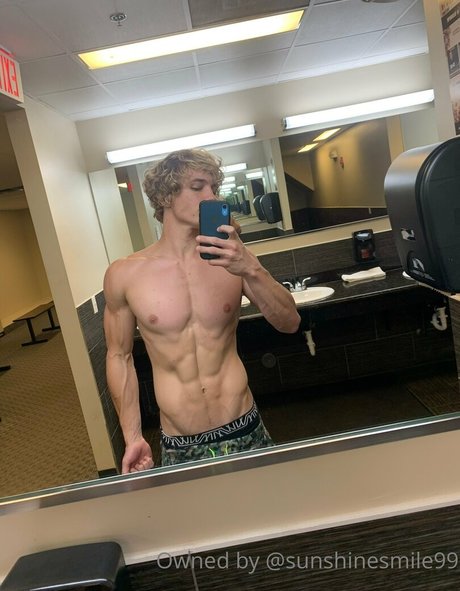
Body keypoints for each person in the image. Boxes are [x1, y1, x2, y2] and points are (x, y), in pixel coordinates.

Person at [103, 148, 300, 473]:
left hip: (244, 424)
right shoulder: (125, 273)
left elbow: (289, 322)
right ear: (165, 196)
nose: (211, 197)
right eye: (198, 187)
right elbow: (119, 357)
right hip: (181, 442)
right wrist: (133, 436)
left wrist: (251, 268)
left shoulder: (233, 259)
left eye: (214, 188)